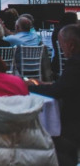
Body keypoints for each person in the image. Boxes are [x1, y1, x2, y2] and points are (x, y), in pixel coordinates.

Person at [28, 24, 80, 165]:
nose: (60, 48)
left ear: (71, 45)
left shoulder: (75, 63)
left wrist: (32, 88)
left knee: (58, 141)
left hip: (74, 122)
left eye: (61, 44)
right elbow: (66, 85)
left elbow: (57, 91)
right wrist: (44, 84)